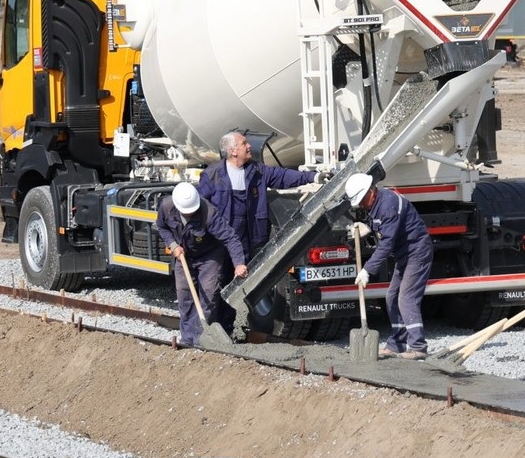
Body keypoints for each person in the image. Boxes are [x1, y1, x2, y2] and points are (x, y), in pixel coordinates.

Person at [197, 131, 325, 330]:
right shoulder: (212, 176)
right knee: (214, 287)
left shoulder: (256, 171)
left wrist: (313, 176)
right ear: (232, 151)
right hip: (220, 243)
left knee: (235, 287)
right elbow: (200, 207)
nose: (249, 146)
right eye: (244, 143)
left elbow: (283, 176)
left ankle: (227, 330)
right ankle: (209, 329)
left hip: (248, 239)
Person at [346, 173, 434, 360]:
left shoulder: (388, 204)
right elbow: (383, 228)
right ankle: (397, 345)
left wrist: (367, 270)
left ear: (371, 191)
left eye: (362, 200)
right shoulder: (377, 204)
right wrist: (368, 227)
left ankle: (418, 347)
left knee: (406, 297)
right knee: (391, 296)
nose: (362, 205)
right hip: (404, 254)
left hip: (416, 252)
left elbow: (387, 243)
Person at [155, 182, 248, 347]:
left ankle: (201, 340)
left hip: (209, 256)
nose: (191, 213)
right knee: (184, 297)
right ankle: (187, 340)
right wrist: (173, 245)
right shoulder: (167, 207)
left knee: (208, 296)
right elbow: (162, 228)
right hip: (183, 255)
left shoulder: (209, 213)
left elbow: (230, 238)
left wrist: (239, 264)